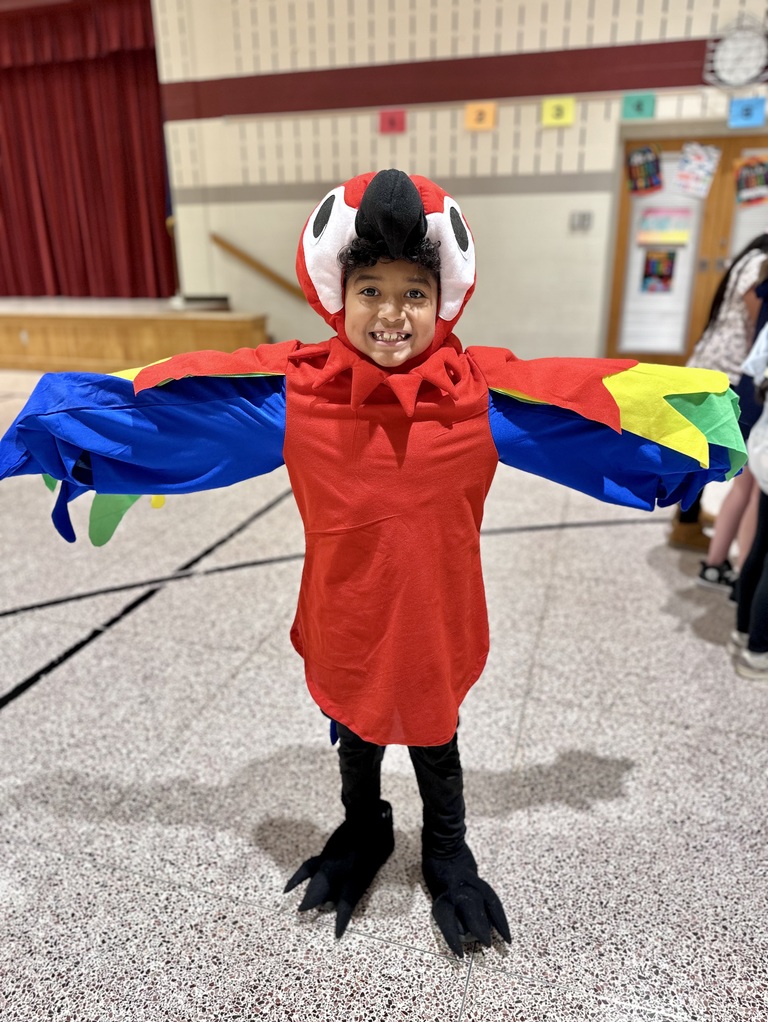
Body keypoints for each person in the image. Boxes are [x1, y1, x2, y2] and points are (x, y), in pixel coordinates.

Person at [0, 170, 747, 955]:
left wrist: (703, 427)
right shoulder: (297, 397)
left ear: (442, 300)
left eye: (414, 293)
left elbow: (583, 406)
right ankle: (366, 828)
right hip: (345, 618)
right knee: (355, 729)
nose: (392, 315)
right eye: (371, 291)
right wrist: (73, 431)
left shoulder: (479, 399)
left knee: (434, 737)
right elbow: (184, 405)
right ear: (338, 295)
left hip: (435, 626)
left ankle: (446, 850)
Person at [670, 236, 768, 576]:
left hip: (708, 360)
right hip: (725, 369)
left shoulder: (746, 259)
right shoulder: (760, 264)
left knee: (699, 448)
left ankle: (688, 517)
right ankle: (686, 521)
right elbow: (757, 322)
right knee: (704, 451)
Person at [730, 325, 768, 677]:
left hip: (763, 444)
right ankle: (759, 650)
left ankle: (743, 632)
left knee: (761, 545)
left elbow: (755, 368)